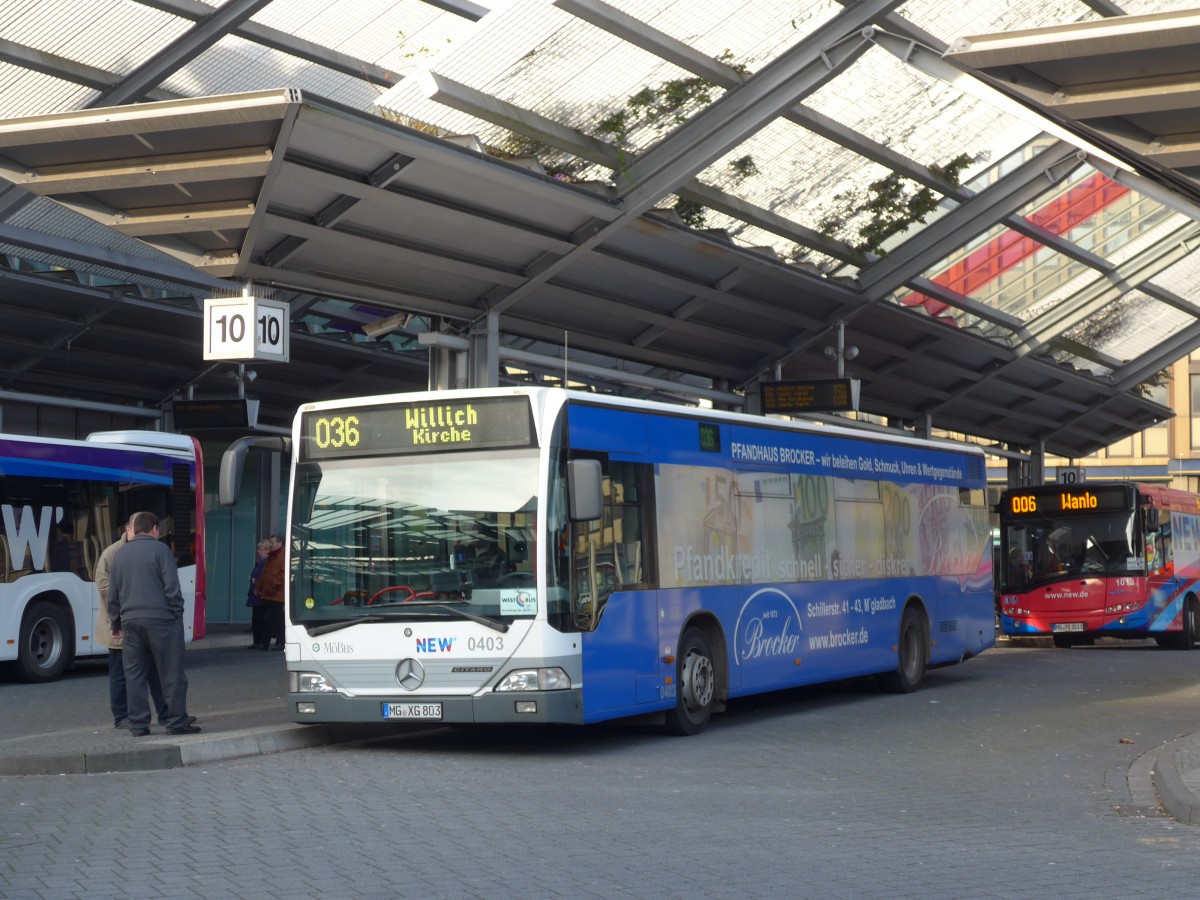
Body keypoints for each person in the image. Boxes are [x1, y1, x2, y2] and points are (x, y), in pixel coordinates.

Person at [107, 511, 199, 736]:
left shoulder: (120, 555)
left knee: (135, 676)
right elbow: (172, 588)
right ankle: (176, 722)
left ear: (134, 529)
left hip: (130, 622)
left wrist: (116, 622)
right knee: (171, 674)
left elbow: (113, 594)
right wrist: (177, 614)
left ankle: (139, 725)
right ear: (155, 528)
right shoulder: (161, 551)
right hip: (162, 621)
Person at [94, 517, 170, 729]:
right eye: (133, 529)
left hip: (140, 623)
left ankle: (166, 714)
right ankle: (121, 717)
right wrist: (129, 593)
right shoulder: (112, 553)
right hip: (119, 623)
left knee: (155, 672)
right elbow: (102, 583)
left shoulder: (150, 550)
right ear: (127, 530)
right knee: (120, 675)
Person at [254, 532, 286, 651]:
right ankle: (281, 642)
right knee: (278, 619)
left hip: (277, 593)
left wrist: (271, 584)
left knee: (272, 619)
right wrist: (259, 586)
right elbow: (264, 574)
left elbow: (282, 576)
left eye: (273, 542)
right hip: (272, 592)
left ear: (279, 543)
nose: (271, 544)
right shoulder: (272, 556)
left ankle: (265, 642)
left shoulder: (281, 556)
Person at [246, 539, 271, 650]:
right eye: (258, 549)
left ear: (267, 551)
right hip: (255, 594)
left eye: (261, 549)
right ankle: (257, 641)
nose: (258, 551)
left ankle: (260, 641)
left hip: (260, 595)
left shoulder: (264, 563)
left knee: (260, 619)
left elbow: (262, 578)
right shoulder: (259, 562)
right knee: (256, 620)